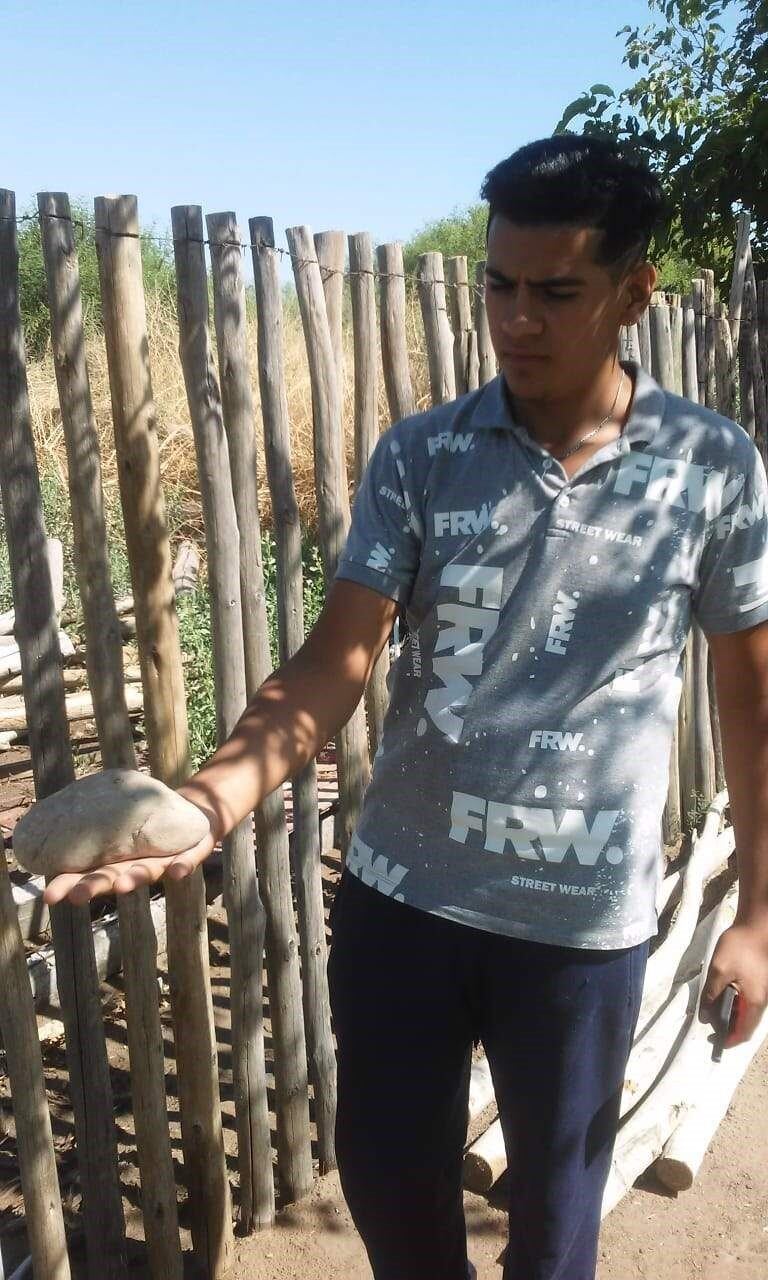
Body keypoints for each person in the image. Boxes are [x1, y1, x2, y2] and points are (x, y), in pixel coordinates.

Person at [45, 135, 768, 1280]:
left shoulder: (712, 467)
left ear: (633, 295)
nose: (516, 319)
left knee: (554, 1224)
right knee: (385, 1175)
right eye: (498, 283)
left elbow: (748, 692)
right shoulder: (426, 455)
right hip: (404, 902)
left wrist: (759, 915)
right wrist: (208, 802)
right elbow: (334, 660)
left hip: (578, 930)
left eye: (556, 291)